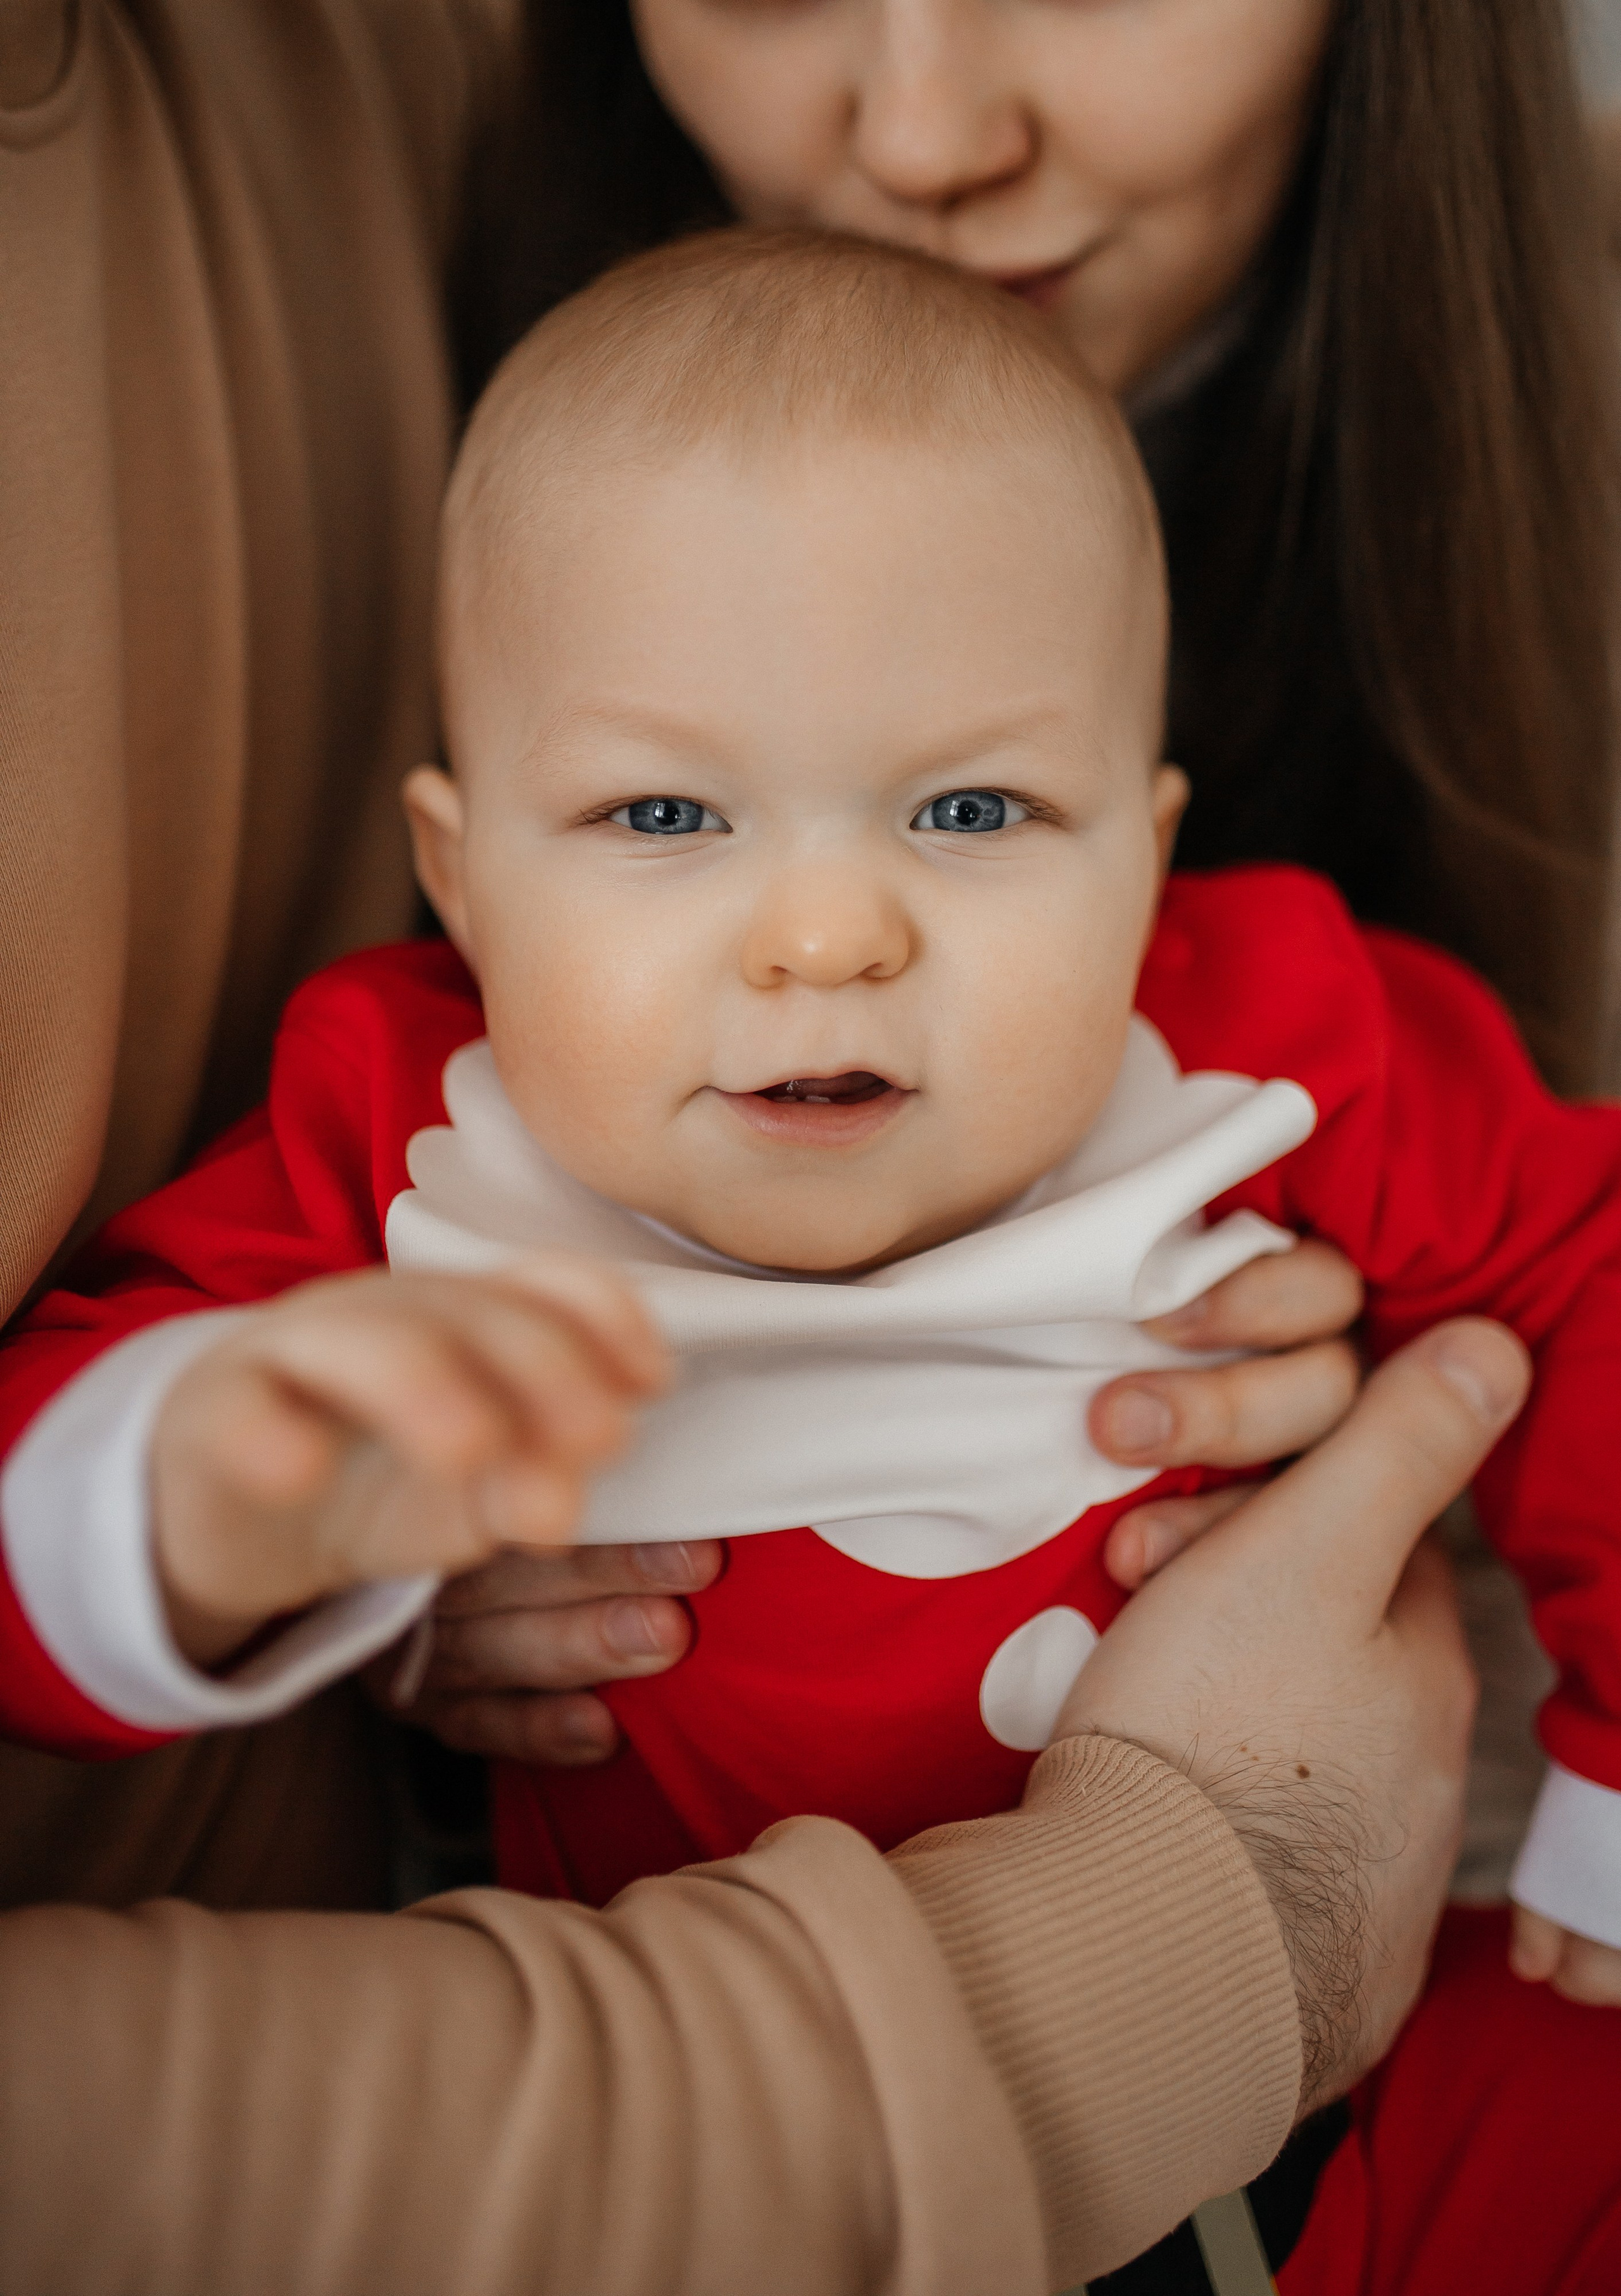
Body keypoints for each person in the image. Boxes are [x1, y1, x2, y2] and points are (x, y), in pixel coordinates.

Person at [0, 0, 1613, 2287]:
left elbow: (1588, 1248)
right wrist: (219, 1504)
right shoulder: (415, 1116)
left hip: (1363, 2101)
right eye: (663, 815)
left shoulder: (1264, 1024)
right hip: (745, 2168)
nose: (833, 933)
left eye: (972, 811)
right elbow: (51, 1464)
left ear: (1149, 855)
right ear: (461, 880)